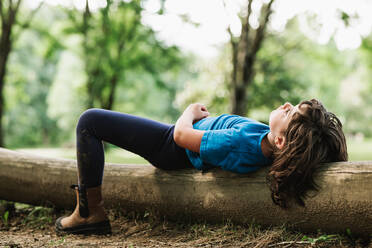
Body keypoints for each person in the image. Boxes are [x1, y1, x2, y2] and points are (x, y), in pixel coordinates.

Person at [55, 99, 348, 235]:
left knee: (90, 121)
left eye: (292, 112)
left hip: (170, 145)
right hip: (176, 141)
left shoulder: (244, 142)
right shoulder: (264, 144)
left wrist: (189, 112)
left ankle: (88, 212)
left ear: (282, 142)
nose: (286, 104)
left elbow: (182, 136)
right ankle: (89, 210)